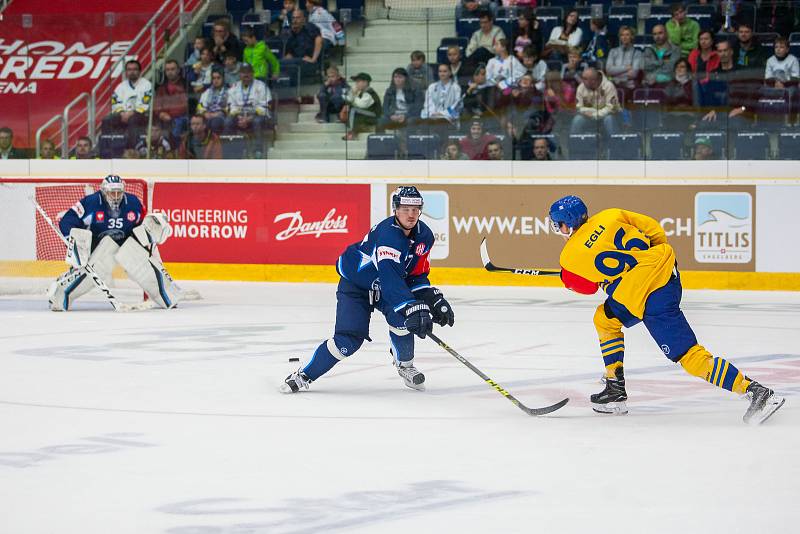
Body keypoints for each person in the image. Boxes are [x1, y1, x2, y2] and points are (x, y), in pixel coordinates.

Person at [546, 195, 784, 424]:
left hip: (650, 298)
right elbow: (653, 228)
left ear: (566, 225)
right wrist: (647, 261)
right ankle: (614, 388)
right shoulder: (610, 215)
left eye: (558, 225)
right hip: (666, 271)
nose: (558, 229)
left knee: (688, 355)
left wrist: (571, 278)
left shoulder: (569, 257)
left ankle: (755, 391)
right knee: (605, 318)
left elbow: (586, 287)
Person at [281, 186, 455, 393]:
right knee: (347, 341)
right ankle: (304, 375)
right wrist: (413, 307)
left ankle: (405, 366)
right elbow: (392, 282)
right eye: (405, 208)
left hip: (388, 287)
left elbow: (415, 274)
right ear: (396, 209)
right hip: (357, 287)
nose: (411, 214)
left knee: (403, 321)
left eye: (415, 209)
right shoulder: (389, 237)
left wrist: (431, 298)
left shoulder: (424, 235)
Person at [48, 175, 178, 311]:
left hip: (126, 244)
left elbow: (144, 224)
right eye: (112, 192)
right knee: (97, 267)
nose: (115, 196)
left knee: (141, 265)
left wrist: (154, 228)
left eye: (118, 192)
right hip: (98, 247)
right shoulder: (91, 202)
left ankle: (166, 295)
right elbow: (68, 220)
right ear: (104, 191)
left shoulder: (133, 203)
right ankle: (60, 295)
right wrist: (73, 240)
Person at [225, 63, 272, 154]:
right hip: (239, 116)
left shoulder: (261, 86)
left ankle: (258, 150)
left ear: (253, 73)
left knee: (257, 121)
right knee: (228, 121)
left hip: (258, 116)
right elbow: (230, 106)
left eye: (248, 72)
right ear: (239, 74)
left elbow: (267, 106)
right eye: (243, 72)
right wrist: (240, 118)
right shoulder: (234, 87)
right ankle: (231, 149)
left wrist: (249, 118)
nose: (246, 75)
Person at [104, 60, 152, 146]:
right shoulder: (121, 86)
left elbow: (145, 102)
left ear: (140, 71)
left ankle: (131, 149)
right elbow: (115, 101)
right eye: (129, 70)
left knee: (132, 120)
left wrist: (131, 113)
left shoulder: (146, 84)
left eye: (135, 69)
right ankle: (106, 147)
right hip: (123, 113)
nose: (132, 72)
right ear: (126, 72)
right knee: (107, 120)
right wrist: (121, 113)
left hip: (141, 114)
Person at [570, 67, 620, 137]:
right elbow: (579, 107)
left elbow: (611, 108)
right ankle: (575, 144)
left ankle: (615, 144)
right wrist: (589, 111)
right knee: (577, 119)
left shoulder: (609, 86)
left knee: (609, 119)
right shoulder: (581, 87)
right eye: (583, 78)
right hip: (589, 116)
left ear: (594, 80)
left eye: (585, 79)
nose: (583, 81)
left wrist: (595, 114)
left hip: (607, 116)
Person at [379, 67, 422, 133]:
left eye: (400, 77)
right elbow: (385, 107)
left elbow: (418, 107)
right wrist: (391, 115)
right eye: (395, 77)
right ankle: (380, 141)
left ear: (406, 78)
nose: (397, 79)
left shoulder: (414, 90)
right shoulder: (389, 91)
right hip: (394, 115)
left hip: (409, 115)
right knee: (381, 120)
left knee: (411, 121)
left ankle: (407, 142)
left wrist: (405, 116)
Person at [154, 59, 189, 139]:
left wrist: (170, 116)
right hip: (165, 118)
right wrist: (160, 114)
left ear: (178, 70)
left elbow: (185, 107)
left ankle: (174, 149)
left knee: (177, 122)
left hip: (181, 117)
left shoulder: (186, 85)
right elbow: (157, 105)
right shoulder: (161, 87)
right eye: (167, 70)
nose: (170, 72)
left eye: (172, 69)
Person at [342, 72, 382, 141]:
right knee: (351, 109)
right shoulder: (362, 92)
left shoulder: (369, 93)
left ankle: (352, 133)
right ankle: (357, 130)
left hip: (374, 116)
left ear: (365, 83)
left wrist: (354, 94)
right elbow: (349, 99)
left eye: (358, 82)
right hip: (367, 114)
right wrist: (352, 94)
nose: (356, 84)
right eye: (356, 82)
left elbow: (361, 105)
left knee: (353, 110)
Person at [606, 26, 642, 96]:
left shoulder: (637, 53)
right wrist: (627, 68)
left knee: (619, 94)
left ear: (632, 37)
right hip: (613, 85)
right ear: (620, 37)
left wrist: (615, 74)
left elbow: (633, 74)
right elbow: (608, 70)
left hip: (628, 86)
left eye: (627, 35)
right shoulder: (613, 51)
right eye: (622, 35)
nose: (624, 37)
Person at [196, 67, 228, 133]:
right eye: (214, 78)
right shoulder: (207, 92)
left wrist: (218, 113)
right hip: (207, 115)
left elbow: (230, 107)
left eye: (218, 78)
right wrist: (205, 113)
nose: (216, 80)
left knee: (215, 121)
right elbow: (200, 106)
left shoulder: (229, 91)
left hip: (221, 116)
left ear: (223, 79)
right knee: (197, 122)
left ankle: (214, 142)